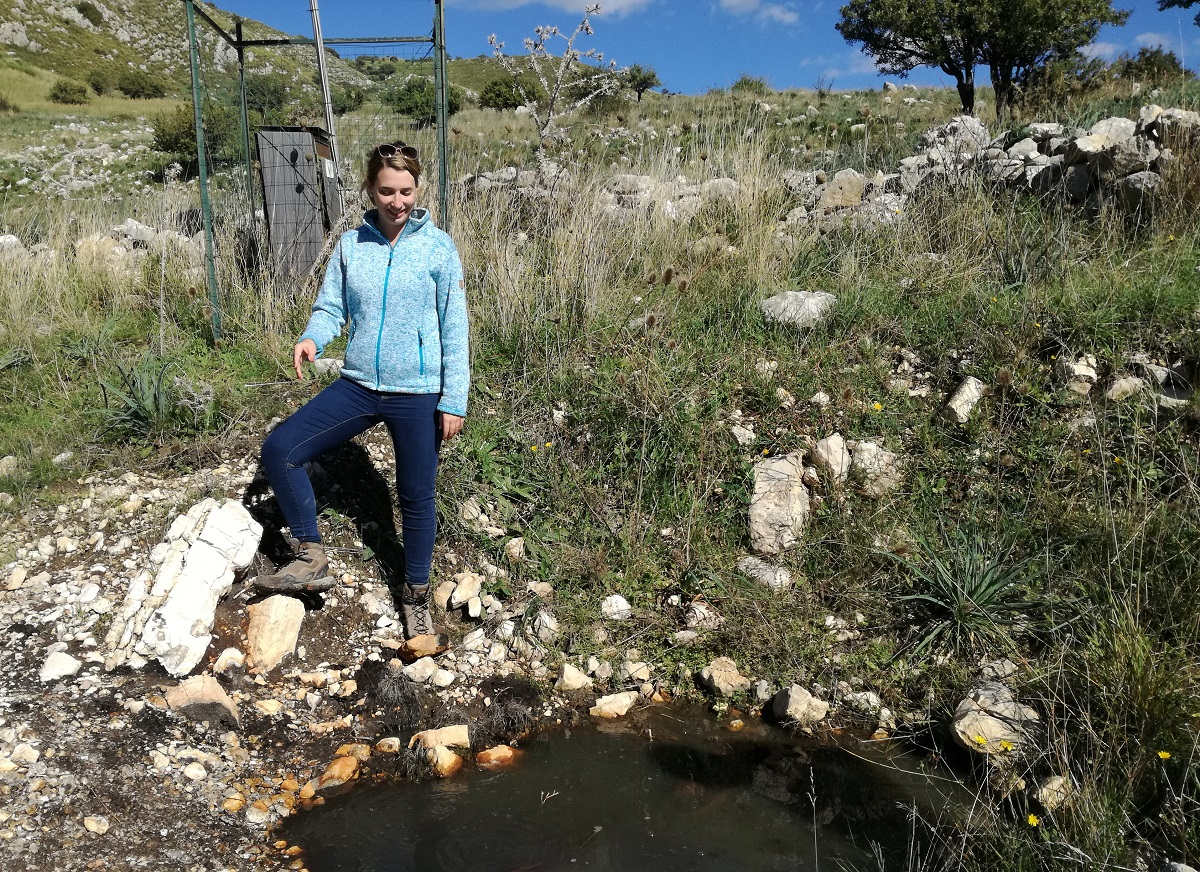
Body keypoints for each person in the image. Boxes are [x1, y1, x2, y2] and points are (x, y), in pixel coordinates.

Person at [257, 141, 469, 640]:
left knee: (416, 496)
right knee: (281, 449)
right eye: (387, 191)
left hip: (418, 392)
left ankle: (416, 595)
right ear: (371, 190)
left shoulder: (438, 248)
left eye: (406, 191)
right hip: (358, 386)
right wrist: (313, 336)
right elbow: (332, 307)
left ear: (418, 189)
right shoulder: (352, 245)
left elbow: (454, 326)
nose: (398, 202)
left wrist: (453, 399)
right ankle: (310, 556)